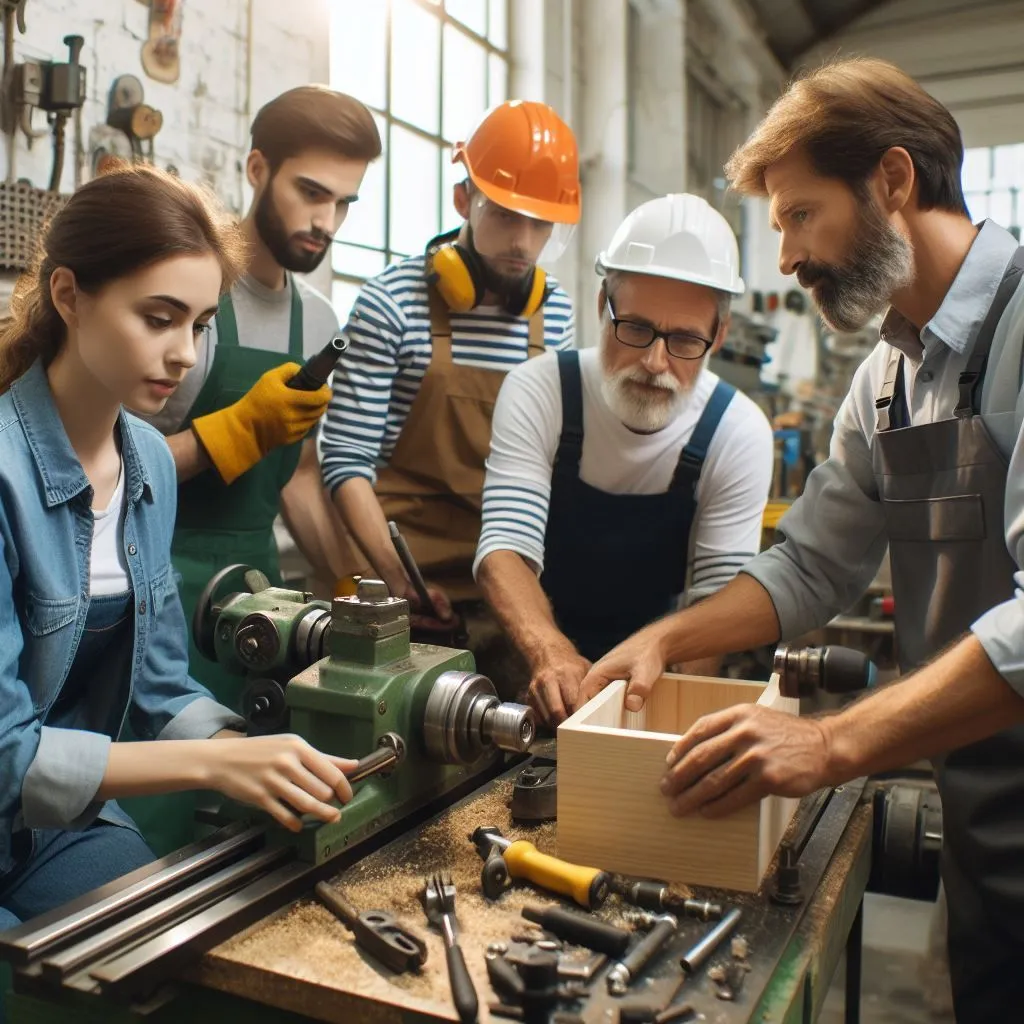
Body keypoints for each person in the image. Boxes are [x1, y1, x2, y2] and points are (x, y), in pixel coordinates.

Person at [575, 57, 1024, 1023]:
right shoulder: (888, 379)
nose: (784, 257)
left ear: (894, 181)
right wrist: (668, 639)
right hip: (984, 811)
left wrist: (828, 744)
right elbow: (812, 561)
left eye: (798, 215)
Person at [0, 165, 357, 952]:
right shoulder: (4, 474)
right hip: (11, 785)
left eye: (198, 324)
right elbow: (5, 754)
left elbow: (160, 682)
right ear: (68, 296)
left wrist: (250, 753)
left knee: (173, 958)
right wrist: (211, 768)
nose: (186, 356)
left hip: (46, 826)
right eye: (158, 318)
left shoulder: (151, 466)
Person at [475, 195, 773, 724]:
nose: (655, 362)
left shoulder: (737, 430)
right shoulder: (541, 390)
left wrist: (660, 715)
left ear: (719, 336)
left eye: (684, 339)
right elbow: (505, 549)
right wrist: (551, 653)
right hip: (529, 672)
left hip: (662, 676)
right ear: (600, 308)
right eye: (634, 328)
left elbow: (719, 602)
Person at [321, 100, 579, 694]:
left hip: (506, 582)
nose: (523, 242)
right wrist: (396, 577)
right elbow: (346, 462)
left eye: (541, 225)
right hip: (395, 583)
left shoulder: (556, 312)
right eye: (507, 215)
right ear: (464, 200)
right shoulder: (390, 303)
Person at [142, 85, 382, 707]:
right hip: (155, 590)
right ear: (257, 169)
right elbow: (106, 474)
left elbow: (298, 474)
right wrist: (237, 429)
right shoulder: (187, 302)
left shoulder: (320, 321)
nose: (325, 222)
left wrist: (351, 584)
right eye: (310, 193)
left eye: (344, 203)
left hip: (261, 602)